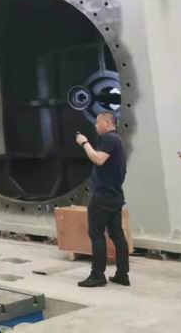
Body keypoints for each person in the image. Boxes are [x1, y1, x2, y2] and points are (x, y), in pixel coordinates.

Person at [75, 112, 130, 288]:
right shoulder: (118, 140)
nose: (95, 126)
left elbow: (98, 159)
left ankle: (97, 275)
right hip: (115, 195)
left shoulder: (108, 139)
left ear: (107, 122)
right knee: (117, 234)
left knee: (96, 234)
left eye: (97, 123)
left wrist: (84, 143)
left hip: (103, 196)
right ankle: (122, 274)